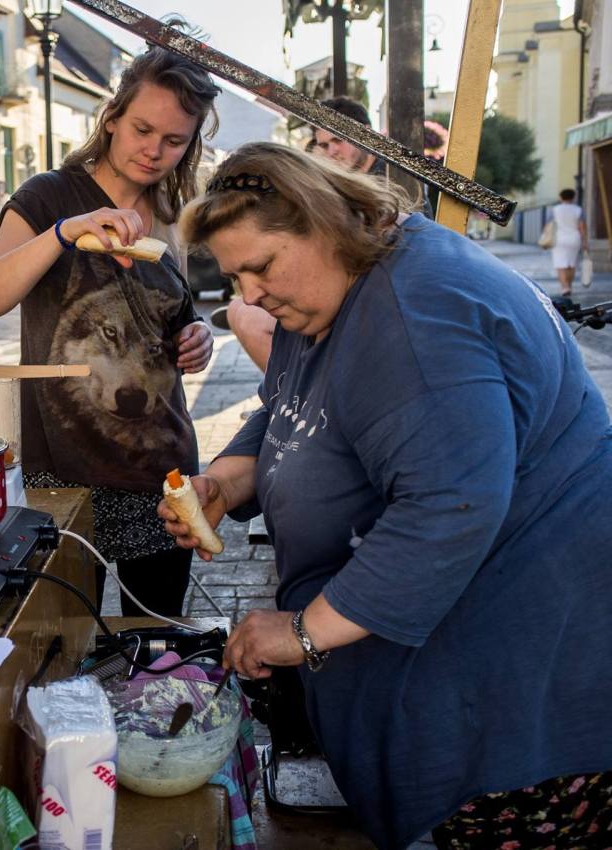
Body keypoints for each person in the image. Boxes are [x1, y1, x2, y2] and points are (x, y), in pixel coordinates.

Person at [162, 142, 612, 849]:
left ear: (321, 222)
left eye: (261, 267)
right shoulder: (331, 290)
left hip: (518, 684)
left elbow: (447, 511)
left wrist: (303, 631)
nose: (247, 296)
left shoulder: (417, 316)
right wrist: (226, 480)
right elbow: (285, 407)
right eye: (234, 276)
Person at [0, 45, 219, 617]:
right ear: (111, 118)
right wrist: (62, 233)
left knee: (152, 654)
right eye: (142, 129)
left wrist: (196, 335)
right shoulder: (49, 196)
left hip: (159, 470)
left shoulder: (173, 211)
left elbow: (169, 316)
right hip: (63, 470)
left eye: (174, 140)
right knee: (60, 649)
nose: (154, 151)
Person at [220, 96, 387, 372]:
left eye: (339, 140)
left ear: (364, 135)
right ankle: (294, 398)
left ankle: (304, 399)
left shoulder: (390, 181)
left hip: (366, 300)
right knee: (243, 310)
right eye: (323, 144)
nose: (331, 151)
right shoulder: (328, 184)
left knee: (247, 314)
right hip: (341, 295)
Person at [551, 188, 589, 296]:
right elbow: (582, 227)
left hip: (559, 239)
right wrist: (585, 242)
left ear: (561, 197)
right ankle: (569, 286)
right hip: (574, 239)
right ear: (573, 197)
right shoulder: (578, 210)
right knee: (571, 264)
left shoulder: (555, 209)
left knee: (560, 264)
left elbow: (548, 226)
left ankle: (565, 287)